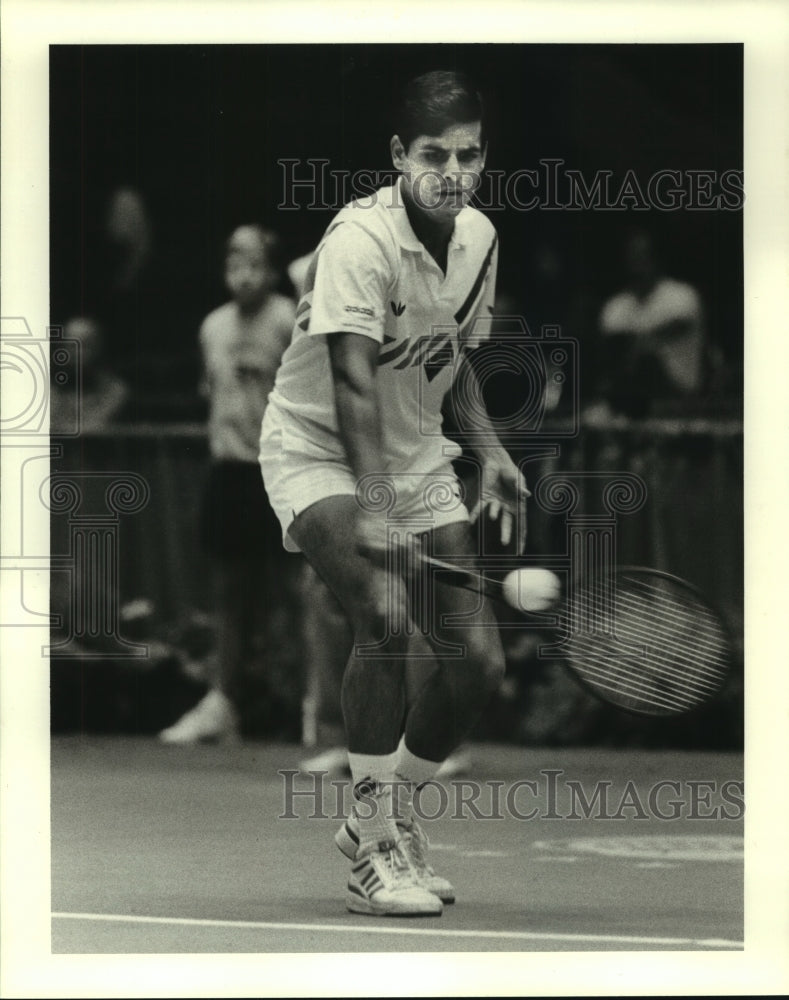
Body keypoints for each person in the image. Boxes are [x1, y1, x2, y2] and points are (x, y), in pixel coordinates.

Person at [260, 71, 527, 917]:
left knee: (477, 662)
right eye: (433, 155)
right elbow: (347, 379)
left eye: (469, 155)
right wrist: (373, 502)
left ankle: (384, 809)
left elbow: (453, 365)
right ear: (396, 157)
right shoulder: (357, 243)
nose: (453, 171)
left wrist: (490, 451)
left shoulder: (480, 237)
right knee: (380, 615)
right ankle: (373, 851)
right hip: (314, 448)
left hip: (416, 458)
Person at [159, 225, 296, 743]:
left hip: (282, 471)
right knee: (229, 595)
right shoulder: (212, 326)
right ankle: (223, 703)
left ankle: (314, 709)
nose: (242, 268)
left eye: (253, 258)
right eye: (233, 256)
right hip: (230, 472)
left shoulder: (289, 318)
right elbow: (211, 395)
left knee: (297, 593)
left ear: (272, 266)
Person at [591, 229, 709, 420]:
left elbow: (674, 328)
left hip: (679, 404)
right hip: (625, 407)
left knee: (646, 360)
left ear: (657, 257)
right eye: (632, 256)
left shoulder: (682, 296)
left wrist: (635, 343)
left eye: (643, 255)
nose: (637, 262)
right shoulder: (615, 307)